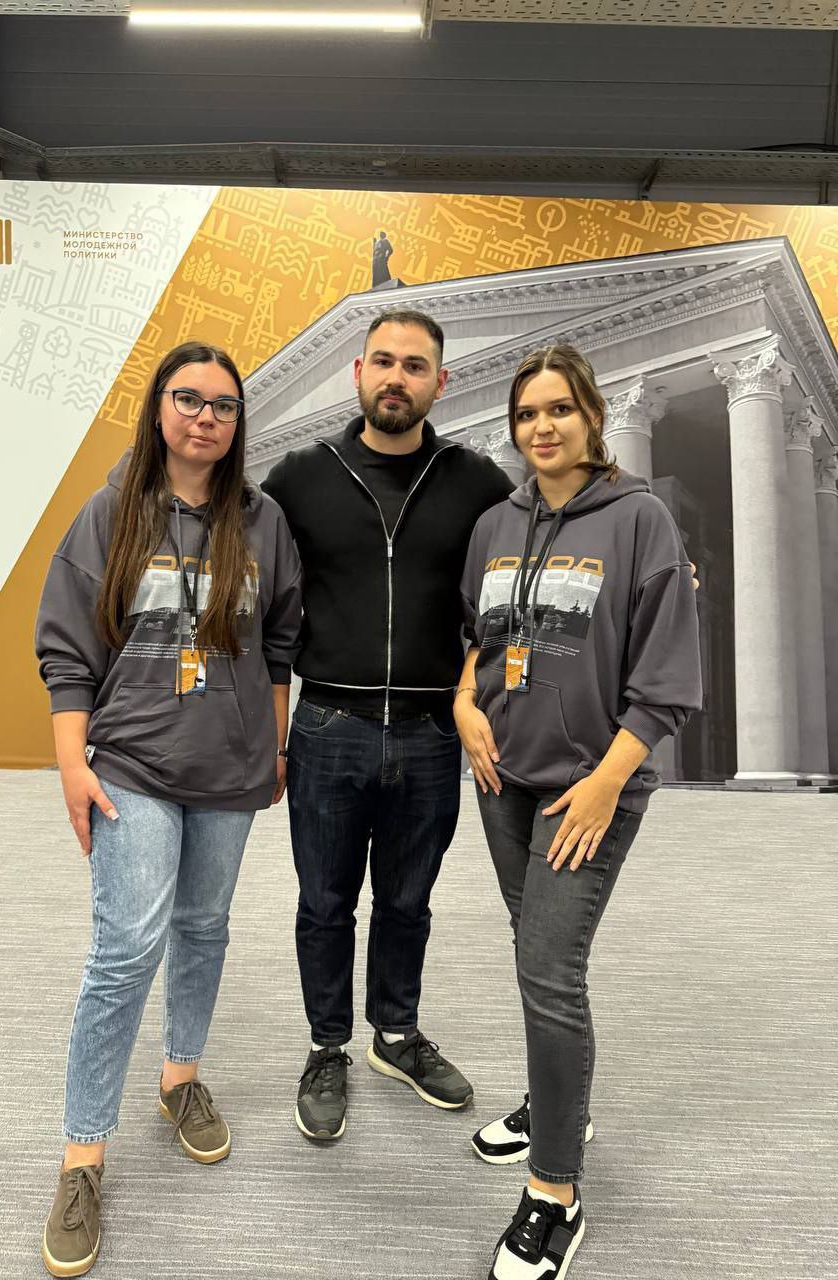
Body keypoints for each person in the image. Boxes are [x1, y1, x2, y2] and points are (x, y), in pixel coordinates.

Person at [34, 341, 302, 1278]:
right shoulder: (111, 514)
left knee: (204, 927)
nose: (204, 418)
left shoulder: (263, 523)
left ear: (238, 424)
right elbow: (68, 651)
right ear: (159, 409)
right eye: (188, 399)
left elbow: (280, 641)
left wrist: (274, 747)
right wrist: (72, 767)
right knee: (124, 951)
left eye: (223, 406)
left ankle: (180, 1077)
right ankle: (81, 1158)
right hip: (134, 763)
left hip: (231, 768)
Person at [455, 343, 702, 1280]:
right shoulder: (496, 523)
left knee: (548, 971)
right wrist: (464, 703)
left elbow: (666, 680)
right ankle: (557, 1104)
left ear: (592, 415)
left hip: (587, 789)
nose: (542, 427)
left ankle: (555, 1190)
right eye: (527, 414)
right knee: (536, 957)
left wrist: (606, 782)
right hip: (502, 778)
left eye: (559, 409)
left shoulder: (640, 519)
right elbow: (475, 635)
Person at [262, 308, 515, 1142]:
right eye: (382, 361)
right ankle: (326, 1046)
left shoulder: (477, 481)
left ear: (441, 382)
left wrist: (650, 554)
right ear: (358, 374)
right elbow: (238, 559)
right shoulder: (301, 476)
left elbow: (545, 541)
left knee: (408, 901)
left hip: (431, 731)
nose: (395, 377)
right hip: (328, 724)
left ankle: (395, 1035)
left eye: (413, 365)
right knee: (324, 902)